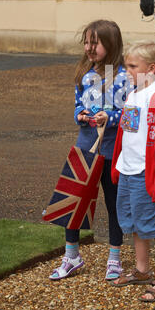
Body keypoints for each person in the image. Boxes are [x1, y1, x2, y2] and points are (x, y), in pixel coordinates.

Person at [49, 19, 130, 281]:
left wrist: (110, 117)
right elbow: (76, 105)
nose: (88, 48)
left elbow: (132, 117)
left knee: (113, 204)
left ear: (112, 44)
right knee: (73, 201)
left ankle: (114, 259)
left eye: (94, 43)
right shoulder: (84, 72)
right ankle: (72, 256)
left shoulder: (124, 77)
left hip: (113, 152)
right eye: (86, 42)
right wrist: (80, 115)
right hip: (84, 147)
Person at [111, 39, 155, 302]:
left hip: (146, 173)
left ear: (150, 68)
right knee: (135, 222)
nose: (126, 71)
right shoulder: (133, 94)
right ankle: (142, 269)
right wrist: (120, 164)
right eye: (125, 65)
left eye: (132, 66)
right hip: (129, 170)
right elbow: (128, 134)